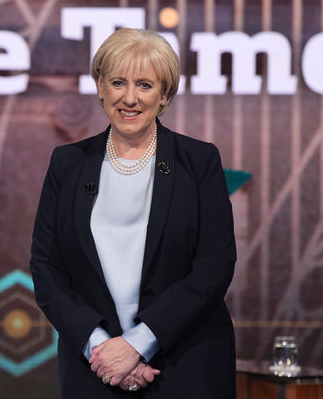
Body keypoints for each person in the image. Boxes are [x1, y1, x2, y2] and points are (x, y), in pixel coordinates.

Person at [29, 28, 236, 398]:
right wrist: (101, 350)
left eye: (144, 85)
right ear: (101, 87)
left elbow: (214, 266)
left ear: (164, 94)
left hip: (186, 364)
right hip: (94, 369)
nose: (129, 98)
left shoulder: (198, 162)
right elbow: (47, 269)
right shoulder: (67, 163)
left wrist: (138, 344)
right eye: (118, 83)